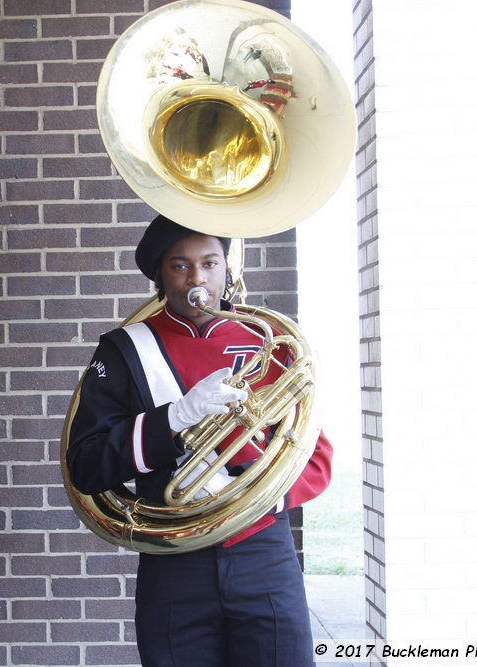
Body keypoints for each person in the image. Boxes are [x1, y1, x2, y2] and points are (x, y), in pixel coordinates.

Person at [65, 214, 333, 667]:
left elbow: (317, 456)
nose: (197, 278)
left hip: (263, 549)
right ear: (161, 276)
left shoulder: (270, 341)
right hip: (174, 561)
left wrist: (254, 497)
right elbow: (87, 465)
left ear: (228, 268)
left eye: (210, 263)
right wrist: (175, 417)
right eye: (180, 265)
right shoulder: (124, 350)